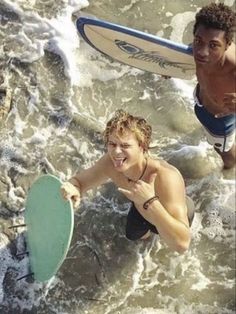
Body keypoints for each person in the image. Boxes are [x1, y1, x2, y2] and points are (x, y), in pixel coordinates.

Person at [61, 110, 194, 254]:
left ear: (142, 147)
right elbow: (80, 182)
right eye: (112, 144)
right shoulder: (110, 164)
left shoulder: (166, 177)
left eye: (125, 146)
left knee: (166, 237)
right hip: (141, 206)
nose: (116, 152)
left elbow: (182, 244)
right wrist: (73, 187)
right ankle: (148, 234)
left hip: (167, 211)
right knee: (133, 235)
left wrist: (150, 201)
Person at [192, 3, 236, 169]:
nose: (202, 52)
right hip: (200, 100)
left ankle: (228, 173)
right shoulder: (195, 49)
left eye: (213, 45)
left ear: (227, 44)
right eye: (198, 40)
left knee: (226, 153)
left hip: (220, 121)